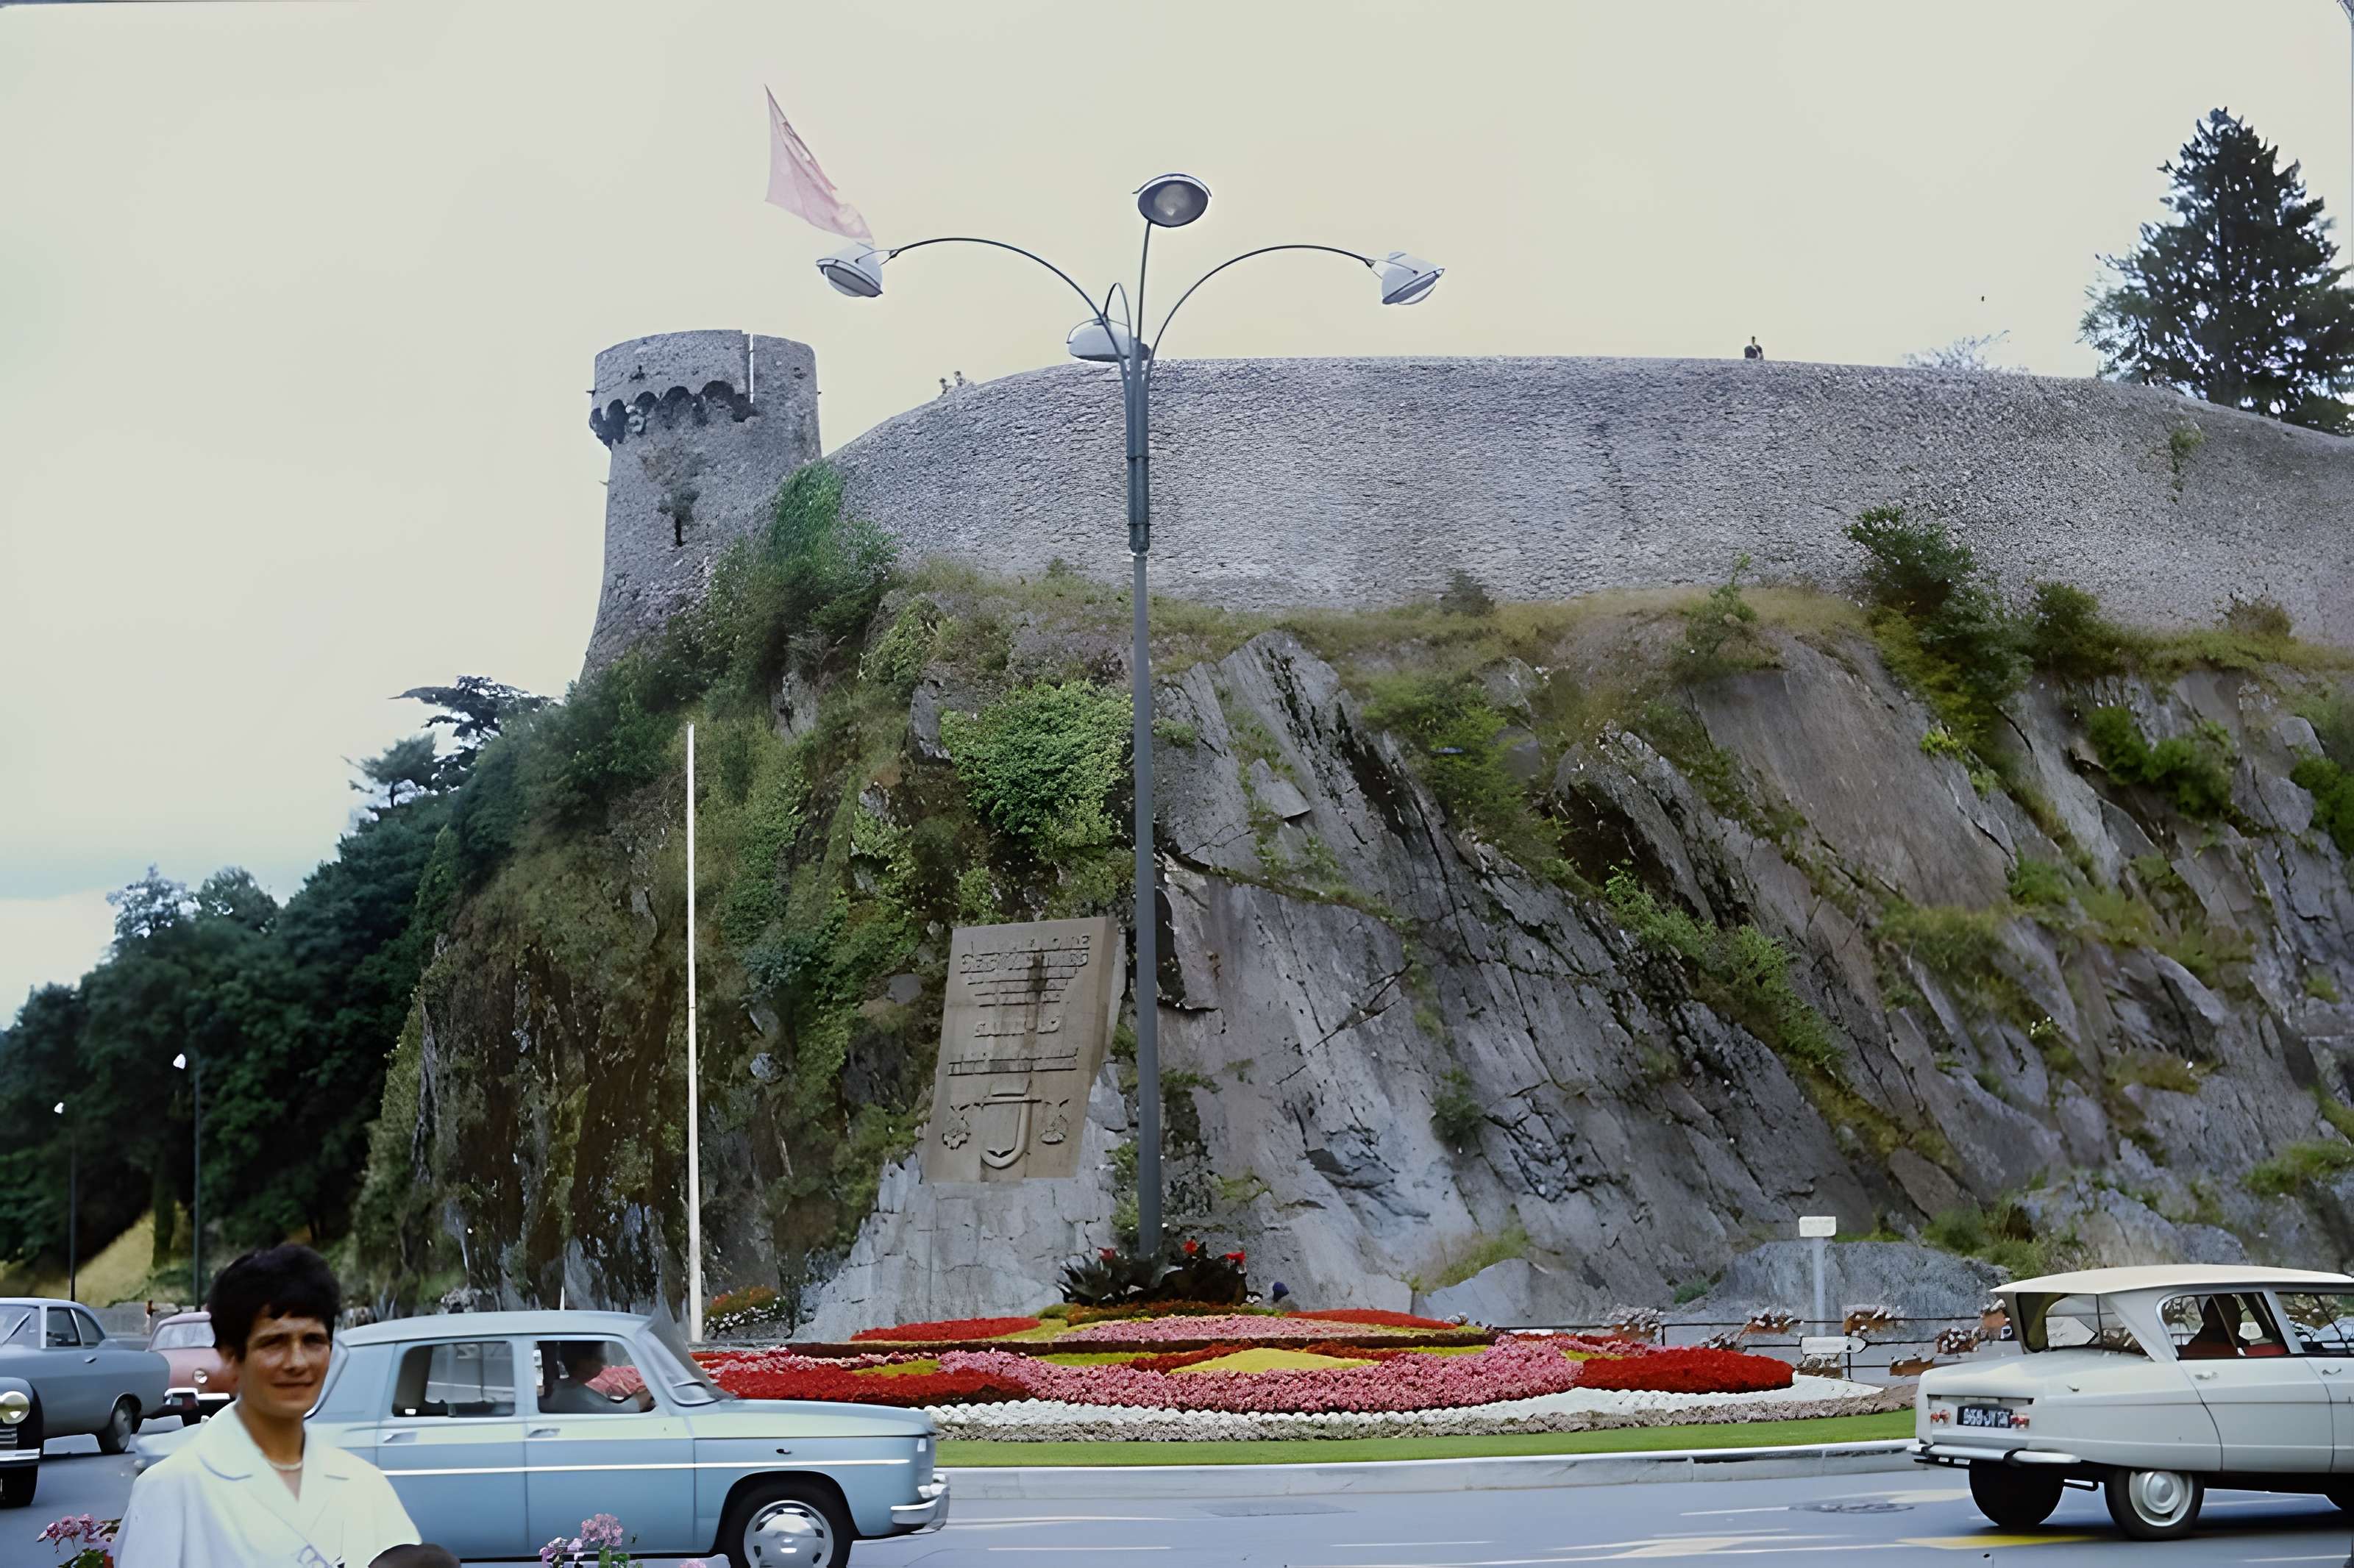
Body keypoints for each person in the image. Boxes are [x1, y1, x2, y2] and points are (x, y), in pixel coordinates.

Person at [113, 1244, 422, 1568]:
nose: (297, 1362)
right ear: (231, 1357)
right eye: (274, 1343)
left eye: (313, 1340)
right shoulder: (172, 1490)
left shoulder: (365, 1486)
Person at [541, 1341, 654, 1414]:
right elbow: (620, 1412)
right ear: (584, 1364)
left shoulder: (563, 1388)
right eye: (598, 1359)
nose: (603, 1364)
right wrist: (646, 1394)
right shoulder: (572, 1395)